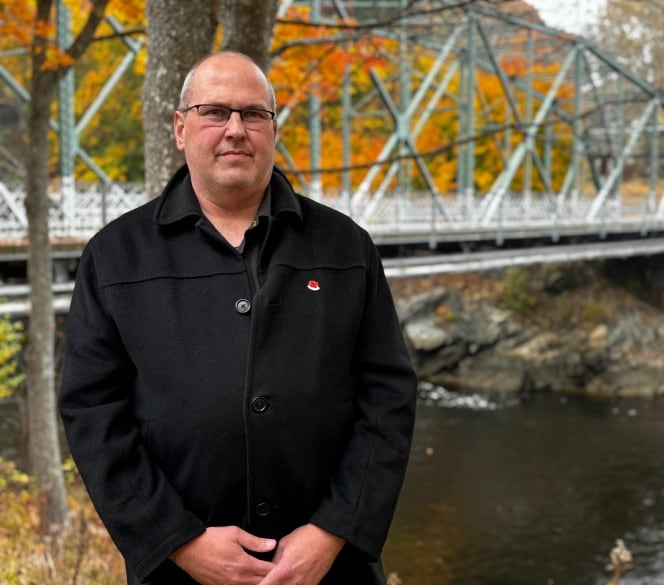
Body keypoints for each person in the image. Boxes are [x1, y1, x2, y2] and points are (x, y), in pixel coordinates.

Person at [59, 51, 417, 585]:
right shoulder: (115, 257)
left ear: (273, 130)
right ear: (181, 129)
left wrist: (334, 530)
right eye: (214, 112)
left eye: (254, 114)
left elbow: (388, 396)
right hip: (180, 572)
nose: (235, 130)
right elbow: (93, 412)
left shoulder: (345, 247)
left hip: (329, 570)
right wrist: (175, 540)